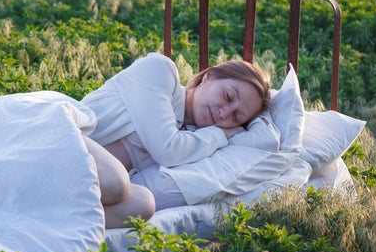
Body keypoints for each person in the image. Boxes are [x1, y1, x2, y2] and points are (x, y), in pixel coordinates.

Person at [81, 52, 271, 228]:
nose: (225, 112)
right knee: (116, 182)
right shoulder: (159, 71)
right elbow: (167, 151)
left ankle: (56, 216)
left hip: (85, 181)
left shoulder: (193, 141)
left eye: (236, 117)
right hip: (66, 138)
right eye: (228, 96)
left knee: (143, 204)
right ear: (210, 76)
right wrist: (220, 134)